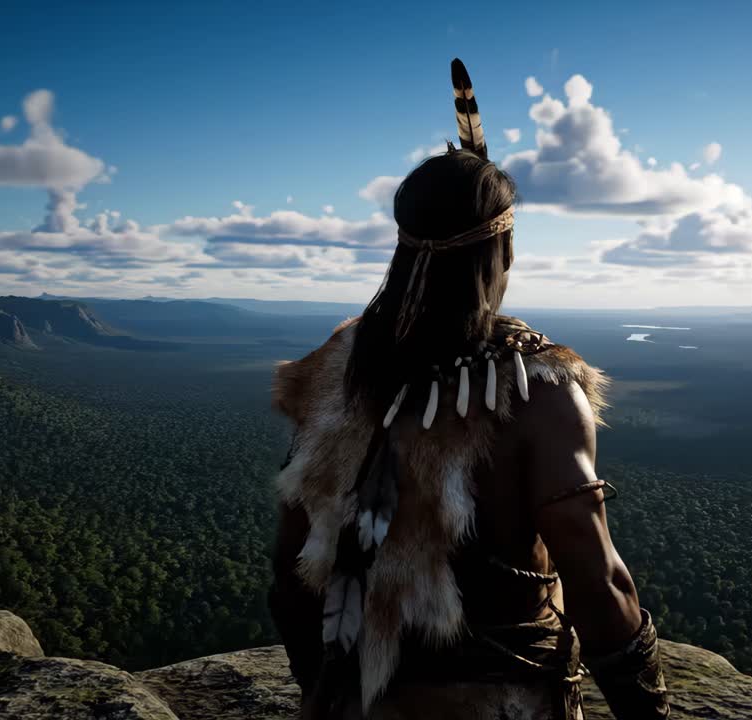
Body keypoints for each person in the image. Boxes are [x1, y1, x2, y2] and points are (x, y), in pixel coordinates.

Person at [267, 59, 670, 719]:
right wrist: (649, 710)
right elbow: (599, 586)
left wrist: (322, 690)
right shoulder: (539, 390)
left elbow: (292, 572)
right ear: (500, 253)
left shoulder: (336, 370)